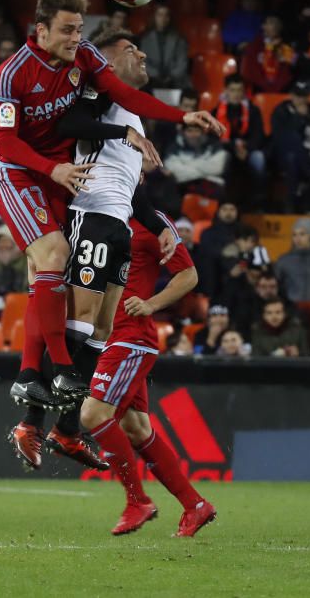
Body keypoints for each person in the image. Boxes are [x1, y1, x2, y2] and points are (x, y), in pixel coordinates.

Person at [0, 0, 224, 402]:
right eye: (66, 30)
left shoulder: (84, 58)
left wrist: (181, 115)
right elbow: (5, 143)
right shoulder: (12, 73)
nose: (74, 39)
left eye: (80, 29)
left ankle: (30, 377)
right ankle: (59, 370)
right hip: (24, 175)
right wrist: (53, 167)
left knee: (45, 281)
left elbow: (125, 93)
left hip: (64, 178)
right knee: (53, 258)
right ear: (41, 30)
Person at [9, 28, 182, 470]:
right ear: (105, 60)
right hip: (90, 217)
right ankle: (30, 422)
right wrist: (122, 129)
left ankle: (66, 430)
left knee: (101, 331)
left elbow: (130, 192)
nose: (141, 54)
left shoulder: (132, 114)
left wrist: (157, 225)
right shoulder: (99, 93)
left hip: (117, 223)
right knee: (79, 325)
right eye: (130, 50)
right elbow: (70, 123)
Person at [79, 213, 216, 537]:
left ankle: (137, 501)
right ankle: (195, 505)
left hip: (130, 335)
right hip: (105, 336)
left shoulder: (152, 222)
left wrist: (152, 304)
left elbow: (188, 274)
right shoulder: (95, 212)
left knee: (93, 413)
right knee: (136, 427)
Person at [212, 73, 267, 208]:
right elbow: (213, 138)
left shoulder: (253, 110)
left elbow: (259, 136)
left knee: (259, 158)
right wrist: (234, 148)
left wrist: (246, 149)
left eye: (239, 90)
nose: (236, 94)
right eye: (232, 90)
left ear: (244, 92)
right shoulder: (216, 112)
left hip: (248, 150)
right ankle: (224, 203)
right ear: (226, 91)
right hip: (226, 150)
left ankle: (258, 202)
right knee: (223, 158)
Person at [269, 81, 310, 212]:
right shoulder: (281, 111)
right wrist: (298, 117)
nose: (301, 100)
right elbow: (280, 138)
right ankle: (291, 202)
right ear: (291, 95)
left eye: (304, 96)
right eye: (298, 96)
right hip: (286, 156)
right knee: (292, 157)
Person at [139, 4, 190, 89]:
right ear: (154, 17)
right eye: (160, 15)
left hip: (175, 82)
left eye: (166, 15)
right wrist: (156, 76)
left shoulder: (179, 39)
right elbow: (144, 62)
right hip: (152, 81)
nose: (163, 19)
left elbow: (182, 63)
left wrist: (170, 77)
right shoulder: (145, 39)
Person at [241, 14, 296, 93]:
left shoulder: (286, 47)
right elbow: (250, 70)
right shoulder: (254, 45)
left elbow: (289, 70)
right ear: (263, 26)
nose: (274, 26)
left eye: (277, 24)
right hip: (258, 87)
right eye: (270, 23)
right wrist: (264, 84)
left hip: (281, 88)